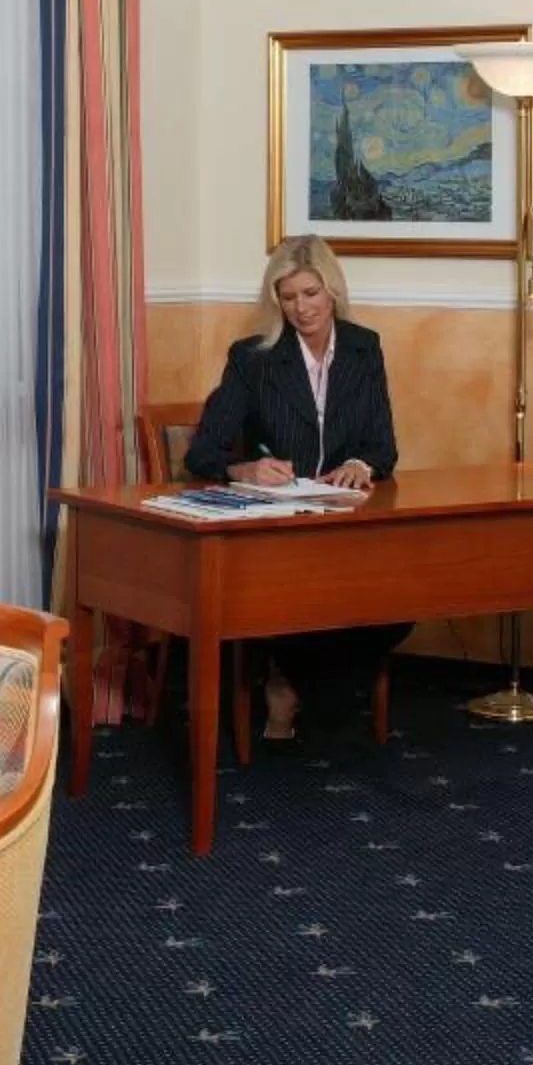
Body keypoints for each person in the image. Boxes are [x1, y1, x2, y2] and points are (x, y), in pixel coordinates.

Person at [180, 234, 408, 740]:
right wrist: (243, 470)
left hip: (347, 523)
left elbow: (384, 447)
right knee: (299, 594)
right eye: (288, 297)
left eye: (310, 294)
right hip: (277, 528)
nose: (301, 308)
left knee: (402, 601)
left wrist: (358, 462)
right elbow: (202, 452)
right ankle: (298, 686)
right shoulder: (253, 358)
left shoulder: (364, 348)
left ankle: (291, 679)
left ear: (332, 292)